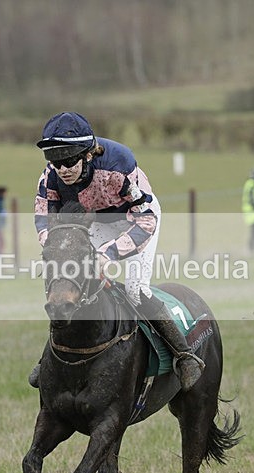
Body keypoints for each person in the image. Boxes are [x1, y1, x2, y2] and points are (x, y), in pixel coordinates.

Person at [29, 111, 205, 391]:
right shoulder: (50, 177)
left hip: (139, 218)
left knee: (135, 290)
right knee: (75, 286)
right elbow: (43, 219)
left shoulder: (117, 166)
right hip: (99, 220)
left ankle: (184, 356)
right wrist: (58, 249)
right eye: (55, 161)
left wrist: (108, 254)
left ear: (87, 155)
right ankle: (48, 360)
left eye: (70, 160)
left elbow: (145, 219)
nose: (62, 169)